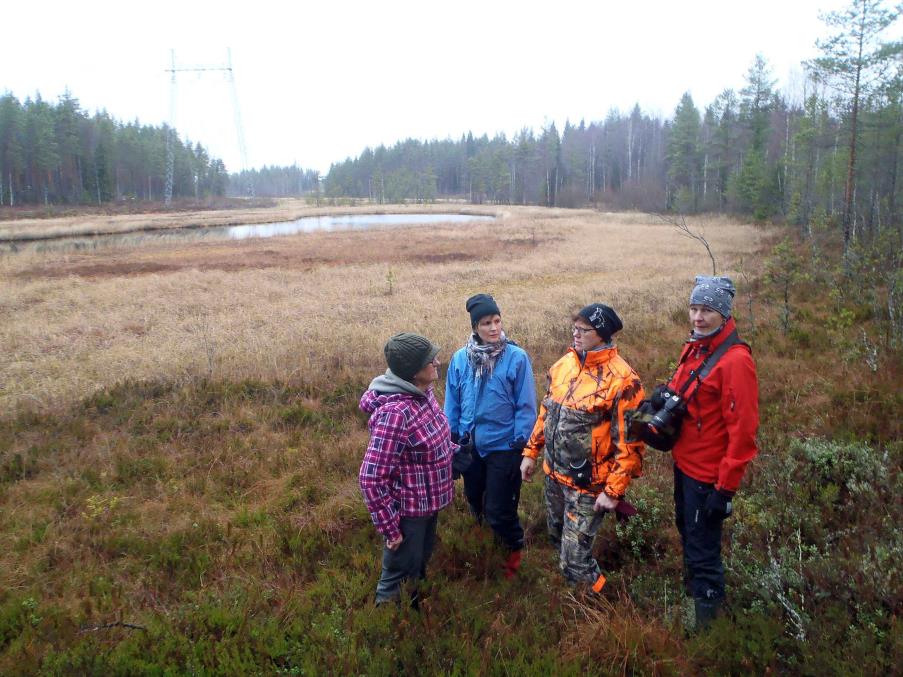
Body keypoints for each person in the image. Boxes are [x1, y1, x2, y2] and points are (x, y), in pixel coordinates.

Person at [520, 303, 645, 592]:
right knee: (557, 539)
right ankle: (572, 595)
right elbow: (547, 411)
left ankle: (602, 603)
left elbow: (632, 444)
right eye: (574, 328)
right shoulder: (564, 364)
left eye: (583, 330)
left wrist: (613, 492)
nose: (575, 334)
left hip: (588, 486)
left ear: (602, 334)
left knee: (575, 560)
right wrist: (531, 452)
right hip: (554, 477)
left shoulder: (625, 380)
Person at [668, 276, 759, 629]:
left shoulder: (736, 361)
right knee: (688, 536)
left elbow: (744, 433)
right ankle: (693, 605)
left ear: (723, 313)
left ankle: (707, 632)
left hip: (708, 476)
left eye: (707, 310)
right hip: (684, 465)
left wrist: (725, 489)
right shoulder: (695, 346)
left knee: (704, 551)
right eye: (694, 308)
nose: (698, 317)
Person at [359, 332, 456, 606]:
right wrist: (391, 528)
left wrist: (456, 453)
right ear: (414, 371)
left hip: (428, 506)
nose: (437, 362)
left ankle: (414, 619)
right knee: (397, 577)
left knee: (419, 566)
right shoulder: (396, 413)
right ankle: (388, 634)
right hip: (408, 514)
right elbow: (371, 478)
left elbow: (428, 444)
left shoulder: (423, 395)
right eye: (430, 359)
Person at [445, 293, 537, 579]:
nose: (494, 328)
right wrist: (453, 440)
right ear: (475, 327)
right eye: (486, 323)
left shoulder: (516, 358)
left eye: (497, 320)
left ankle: (512, 557)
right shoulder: (461, 359)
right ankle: (485, 546)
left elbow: (526, 406)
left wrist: (521, 445)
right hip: (470, 447)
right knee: (475, 499)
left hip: (504, 448)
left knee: (500, 508)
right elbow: (452, 402)